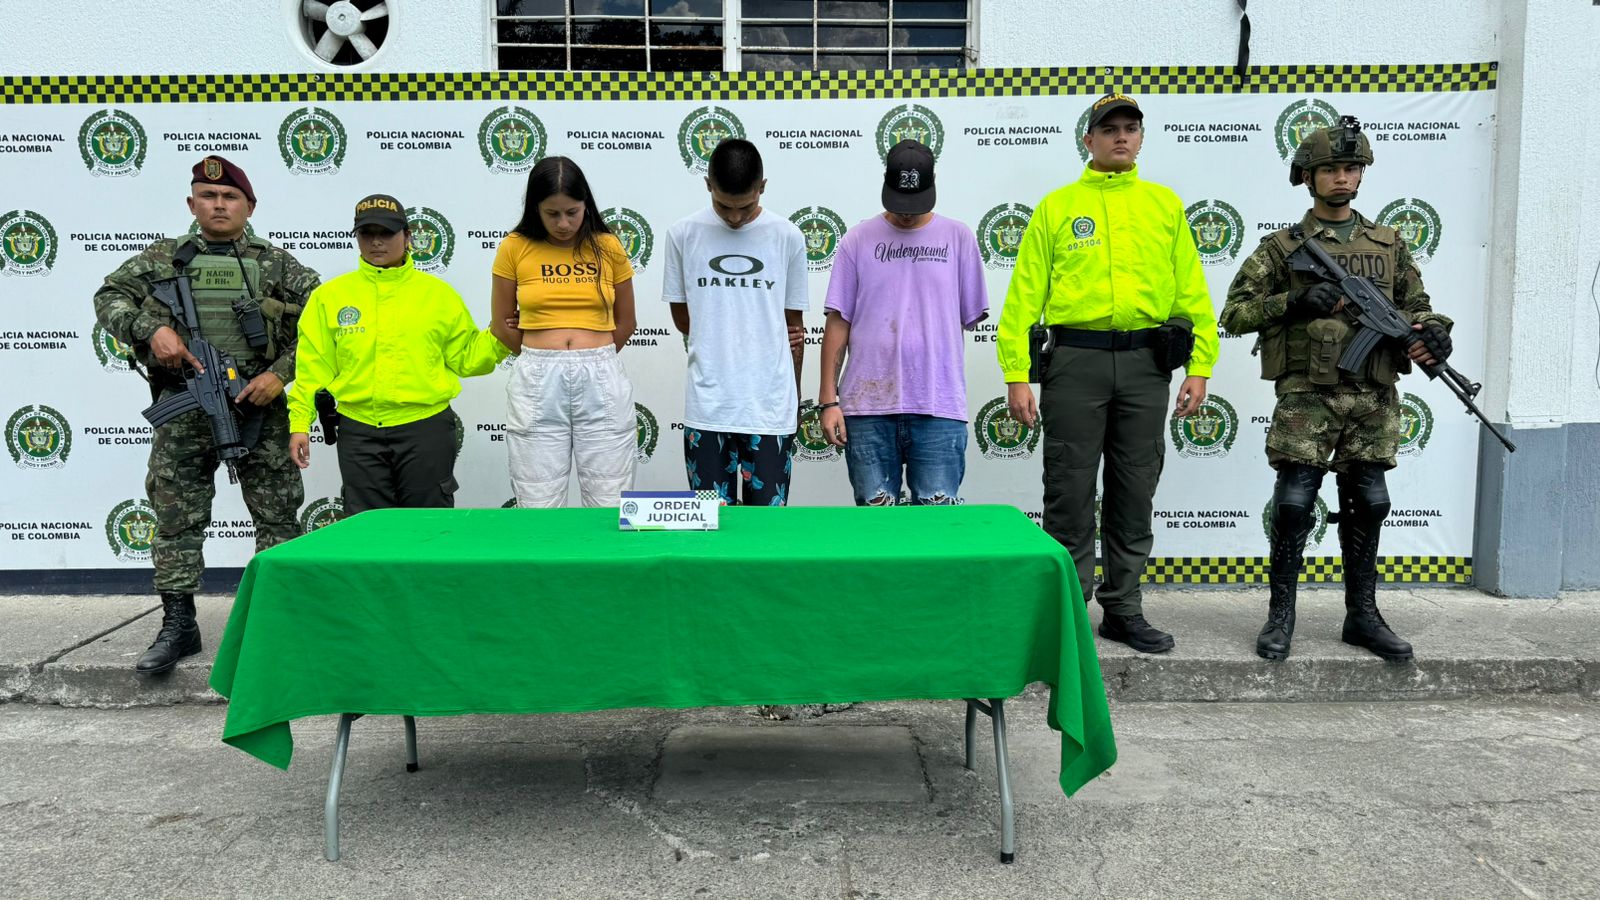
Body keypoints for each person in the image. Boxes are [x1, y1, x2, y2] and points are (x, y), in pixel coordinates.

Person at [1221, 118, 1451, 663]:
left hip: (1374, 392)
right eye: (1331, 170)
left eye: (1351, 169)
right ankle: (1281, 616)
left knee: (1370, 501)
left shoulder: (1389, 244)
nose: (1343, 178)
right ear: (1308, 176)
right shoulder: (1282, 249)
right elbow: (1234, 315)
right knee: (1297, 503)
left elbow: (1417, 309)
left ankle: (1362, 616)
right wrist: (1294, 303)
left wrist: (1434, 331)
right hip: (1308, 393)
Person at [996, 94, 1219, 654]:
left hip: (1147, 365)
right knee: (1069, 486)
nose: (1121, 137)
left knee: (1135, 485)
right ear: (1088, 140)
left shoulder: (1164, 206)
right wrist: (1016, 374)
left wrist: (1202, 366)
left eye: (1131, 128)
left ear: (1141, 139)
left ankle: (1123, 607)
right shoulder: (1057, 207)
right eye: (1109, 129)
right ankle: (1070, 610)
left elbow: (1191, 289)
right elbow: (1024, 296)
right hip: (1076, 361)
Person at [93, 156, 319, 675]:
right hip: (187, 405)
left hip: (260, 407)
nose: (219, 205)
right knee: (177, 518)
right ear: (192, 203)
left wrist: (281, 374)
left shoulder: (278, 264)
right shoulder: (162, 260)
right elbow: (108, 297)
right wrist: (150, 330)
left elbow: (324, 326)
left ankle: (278, 621)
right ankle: (179, 624)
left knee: (277, 515)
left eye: (230, 197)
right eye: (208, 196)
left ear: (249, 206)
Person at [288, 194, 514, 513]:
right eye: (368, 234)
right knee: (366, 529)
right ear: (357, 238)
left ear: (407, 237)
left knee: (429, 528)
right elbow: (312, 368)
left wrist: (502, 337)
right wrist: (300, 422)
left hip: (425, 429)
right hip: (359, 430)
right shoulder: (330, 298)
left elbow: (466, 358)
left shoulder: (438, 296)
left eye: (387, 233)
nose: (377, 242)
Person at [817, 139, 988, 505]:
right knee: (877, 530)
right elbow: (838, 322)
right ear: (885, 181)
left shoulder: (959, 239)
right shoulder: (857, 240)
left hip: (938, 406)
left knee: (938, 529)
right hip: (867, 409)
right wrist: (828, 400)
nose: (907, 214)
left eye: (916, 204)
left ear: (934, 182)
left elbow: (971, 314)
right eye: (900, 203)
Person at [663, 138, 809, 506]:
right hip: (708, 407)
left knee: (768, 533)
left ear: (762, 187)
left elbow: (794, 327)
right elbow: (683, 316)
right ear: (708, 185)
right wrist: (722, 336)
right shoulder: (682, 234)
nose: (734, 217)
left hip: (770, 407)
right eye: (723, 205)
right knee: (711, 527)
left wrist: (793, 394)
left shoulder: (787, 236)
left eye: (745, 206)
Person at [492, 157, 639, 508]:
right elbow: (500, 323)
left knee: (611, 497)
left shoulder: (608, 246)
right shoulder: (514, 246)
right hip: (538, 375)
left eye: (572, 212)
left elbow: (627, 321)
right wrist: (541, 351)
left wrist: (594, 352)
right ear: (535, 209)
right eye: (552, 213)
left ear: (586, 204)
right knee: (537, 496)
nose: (563, 223)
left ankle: (604, 565)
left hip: (600, 372)